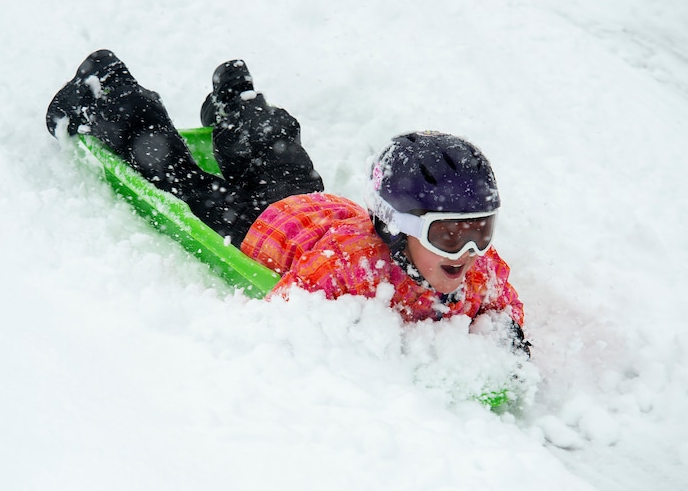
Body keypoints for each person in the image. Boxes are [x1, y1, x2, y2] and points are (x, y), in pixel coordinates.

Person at [46, 49, 530, 355]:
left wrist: (510, 339)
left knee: (278, 151)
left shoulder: (478, 270)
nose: (468, 253)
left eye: (480, 231)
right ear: (396, 227)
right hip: (259, 225)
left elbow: (503, 302)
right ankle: (106, 89)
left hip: (313, 202)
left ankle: (236, 105)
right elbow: (289, 312)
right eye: (448, 234)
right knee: (179, 178)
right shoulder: (347, 267)